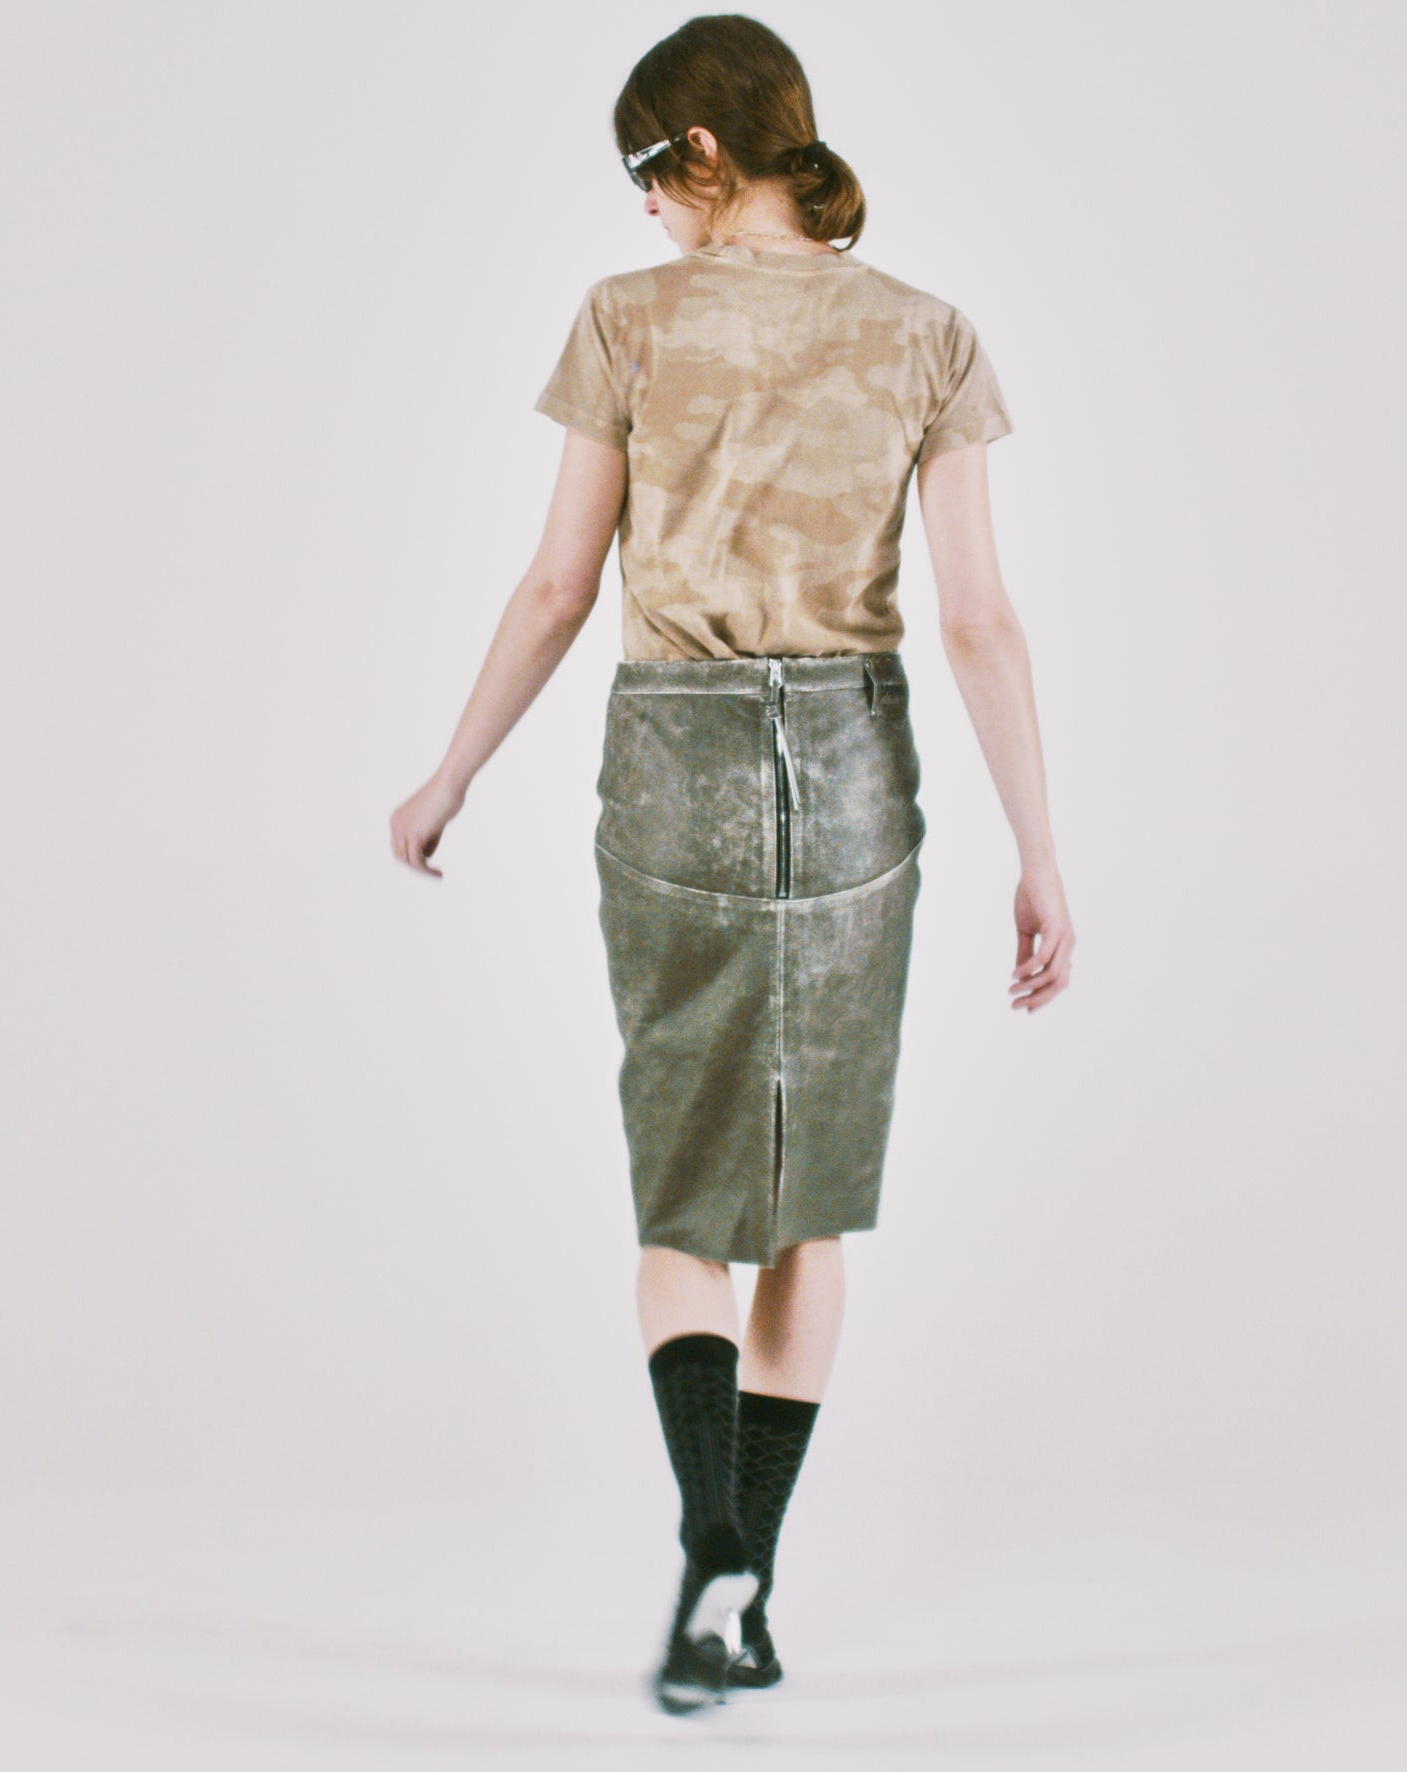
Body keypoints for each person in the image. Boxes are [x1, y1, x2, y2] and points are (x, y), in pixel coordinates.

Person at [389, 13, 1074, 1718]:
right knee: (807, 1199)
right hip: (852, 769)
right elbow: (978, 620)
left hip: (675, 764)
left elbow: (558, 585)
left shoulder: (627, 319)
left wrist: (452, 770)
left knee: (688, 1199)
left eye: (643, 169)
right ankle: (743, 1586)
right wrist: (1040, 853)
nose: (637, 207)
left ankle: (708, 1544)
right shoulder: (926, 332)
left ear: (699, 151)